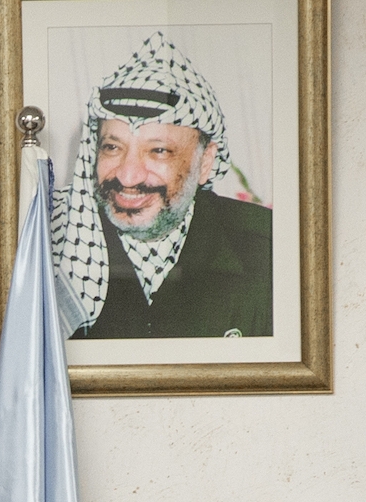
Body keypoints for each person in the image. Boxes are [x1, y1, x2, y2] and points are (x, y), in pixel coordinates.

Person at [50, 31, 273, 340]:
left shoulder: (268, 245)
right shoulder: (56, 242)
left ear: (205, 162)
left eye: (158, 151)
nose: (127, 177)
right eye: (112, 147)